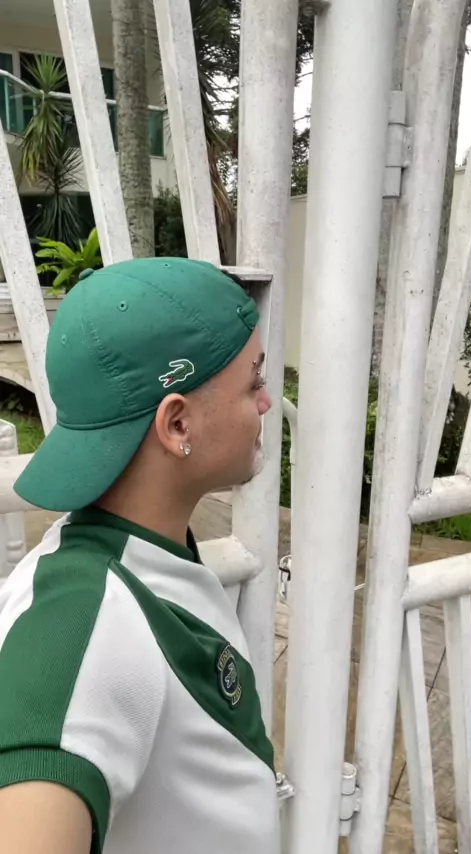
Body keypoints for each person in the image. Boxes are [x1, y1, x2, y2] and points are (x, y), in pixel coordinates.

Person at [0, 258, 278, 854]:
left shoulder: (146, 558)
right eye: (253, 382)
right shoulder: (82, 620)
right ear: (177, 424)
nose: (267, 402)